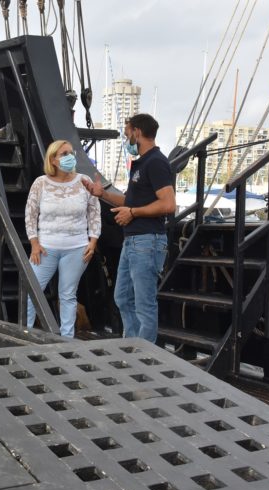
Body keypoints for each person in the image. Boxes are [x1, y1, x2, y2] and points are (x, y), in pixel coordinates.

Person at [85, 113, 176, 343]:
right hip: (133, 241)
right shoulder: (141, 164)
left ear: (137, 132)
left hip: (147, 241)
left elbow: (168, 204)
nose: (127, 140)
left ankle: (145, 355)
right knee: (123, 297)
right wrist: (103, 194)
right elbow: (129, 201)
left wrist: (133, 213)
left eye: (127, 134)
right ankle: (133, 343)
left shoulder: (156, 162)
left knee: (144, 304)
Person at [25, 140, 101, 337]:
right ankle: (26, 333)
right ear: (53, 160)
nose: (70, 157)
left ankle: (66, 339)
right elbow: (30, 214)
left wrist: (93, 242)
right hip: (45, 248)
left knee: (67, 295)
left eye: (71, 152)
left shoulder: (84, 181)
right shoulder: (40, 183)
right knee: (32, 291)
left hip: (77, 248)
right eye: (64, 153)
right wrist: (34, 242)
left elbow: (94, 213)